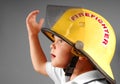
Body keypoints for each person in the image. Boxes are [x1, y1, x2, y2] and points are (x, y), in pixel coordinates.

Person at [26, 5, 116, 84]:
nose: (52, 45)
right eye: (54, 40)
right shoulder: (67, 73)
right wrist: (33, 35)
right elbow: (40, 65)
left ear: (81, 53)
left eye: (60, 41)